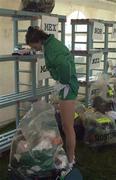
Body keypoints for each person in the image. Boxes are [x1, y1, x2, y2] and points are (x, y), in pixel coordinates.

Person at [25, 26, 79, 172]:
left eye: (33, 46)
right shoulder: (50, 45)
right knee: (65, 125)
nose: (35, 49)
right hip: (66, 86)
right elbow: (62, 64)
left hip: (68, 87)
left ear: (37, 40)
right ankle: (70, 155)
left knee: (68, 127)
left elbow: (65, 67)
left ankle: (71, 159)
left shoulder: (52, 48)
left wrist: (63, 82)